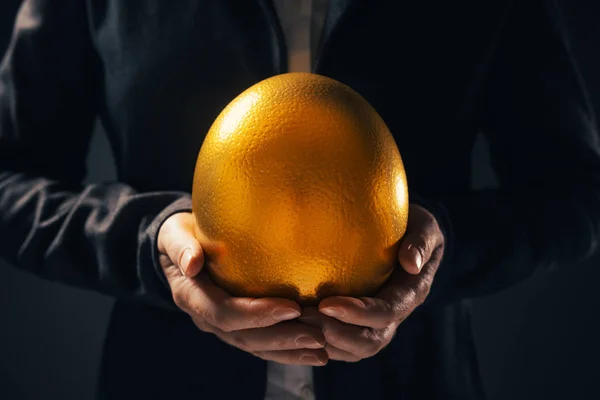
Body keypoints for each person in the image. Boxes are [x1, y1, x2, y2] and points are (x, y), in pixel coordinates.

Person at [0, 0, 598, 399]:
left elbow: (573, 190)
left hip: (415, 382)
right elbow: (11, 180)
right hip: (168, 378)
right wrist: (148, 240)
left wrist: (434, 252)